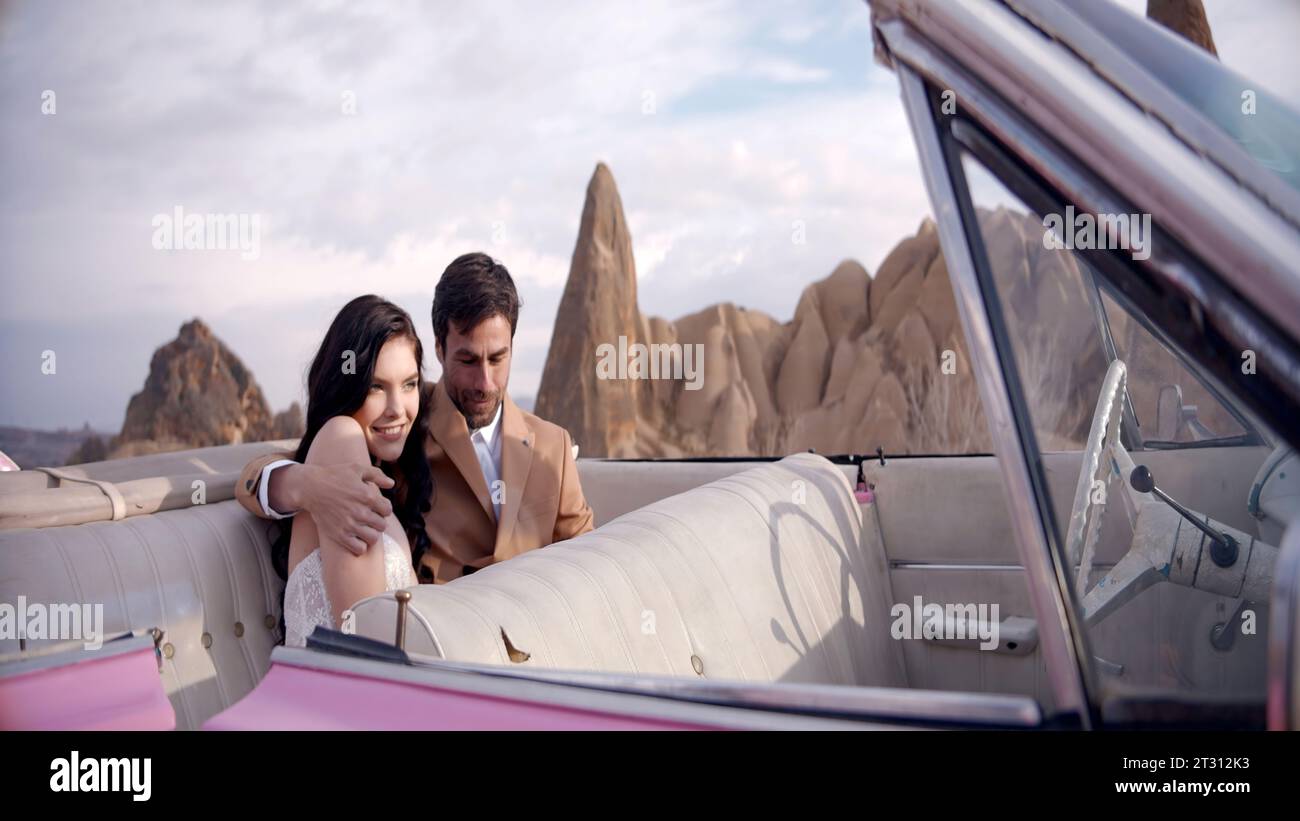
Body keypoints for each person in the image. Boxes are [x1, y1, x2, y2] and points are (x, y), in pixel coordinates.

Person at [239, 252, 595, 610]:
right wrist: (307, 486)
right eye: (468, 360)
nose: (485, 382)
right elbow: (258, 477)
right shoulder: (401, 421)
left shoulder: (554, 445)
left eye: (497, 359)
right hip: (436, 639)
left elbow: (588, 562)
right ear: (439, 348)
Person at [276, 295, 428, 647]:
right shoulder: (340, 436)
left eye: (409, 384)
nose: (397, 409)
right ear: (346, 387)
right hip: (344, 693)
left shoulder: (371, 464)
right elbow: (365, 633)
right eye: (376, 386)